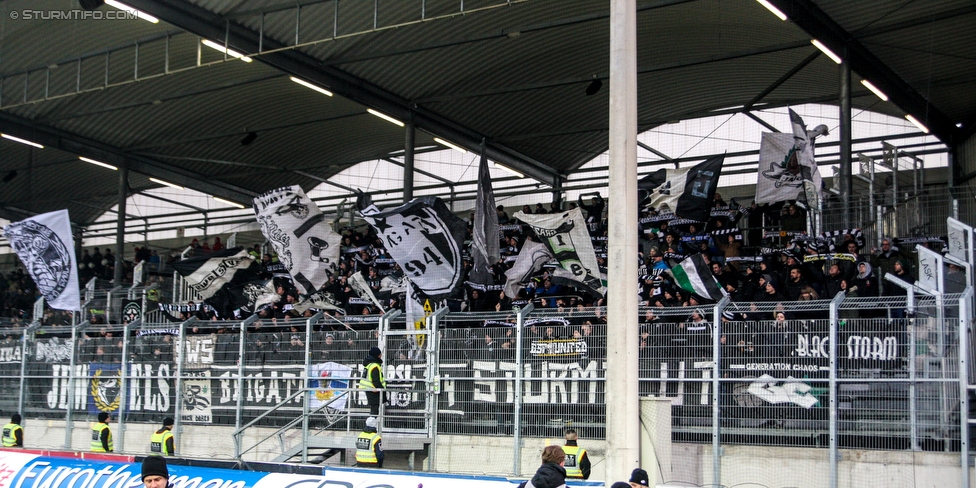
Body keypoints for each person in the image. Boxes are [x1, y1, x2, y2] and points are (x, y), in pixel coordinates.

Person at [359, 346, 386, 416]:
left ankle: (371, 425)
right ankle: (370, 426)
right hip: (374, 389)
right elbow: (375, 380)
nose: (381, 355)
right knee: (374, 411)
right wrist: (382, 389)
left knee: (374, 410)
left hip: (370, 389)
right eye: (380, 354)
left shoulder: (369, 364)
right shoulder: (374, 366)